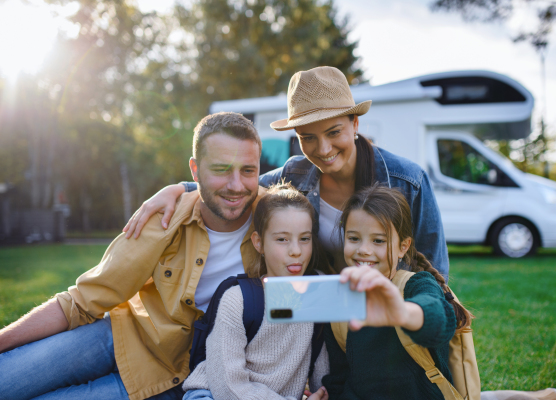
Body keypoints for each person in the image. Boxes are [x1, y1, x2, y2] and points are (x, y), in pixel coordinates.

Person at [0, 112, 264, 400]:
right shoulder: (163, 217)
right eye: (222, 169)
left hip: (174, 378)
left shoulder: (279, 223)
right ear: (195, 170)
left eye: (248, 171)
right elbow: (81, 301)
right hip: (121, 337)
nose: (237, 185)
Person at [123, 66, 450, 279]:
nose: (322, 149)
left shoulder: (408, 182)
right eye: (307, 137)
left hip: (390, 314)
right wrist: (178, 188)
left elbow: (435, 272)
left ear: (355, 124)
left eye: (333, 132)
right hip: (322, 318)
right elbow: (240, 188)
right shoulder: (295, 174)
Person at [322, 184, 473, 399]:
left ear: (403, 246)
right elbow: (340, 377)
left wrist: (402, 312)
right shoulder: (339, 302)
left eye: (378, 241)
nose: (364, 249)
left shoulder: (417, 285)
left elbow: (439, 317)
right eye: (354, 238)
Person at [182, 183, 329, 400]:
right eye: (282, 239)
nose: (296, 251)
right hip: (214, 394)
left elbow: (323, 374)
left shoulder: (318, 293)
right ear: (258, 243)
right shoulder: (237, 300)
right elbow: (227, 387)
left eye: (304, 239)